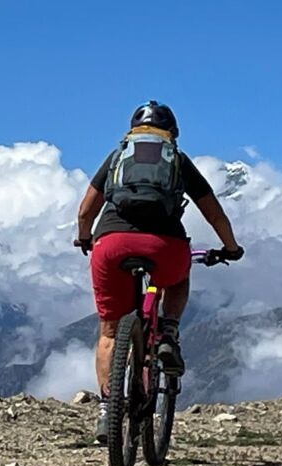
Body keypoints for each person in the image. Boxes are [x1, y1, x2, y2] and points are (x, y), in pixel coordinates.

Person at [74, 101, 244, 443]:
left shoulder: (117, 158)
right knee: (178, 276)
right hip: (164, 247)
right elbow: (214, 213)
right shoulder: (178, 161)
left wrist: (84, 239)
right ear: (173, 133)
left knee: (109, 331)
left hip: (112, 245)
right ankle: (167, 331)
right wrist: (231, 248)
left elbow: (85, 211)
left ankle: (108, 411)